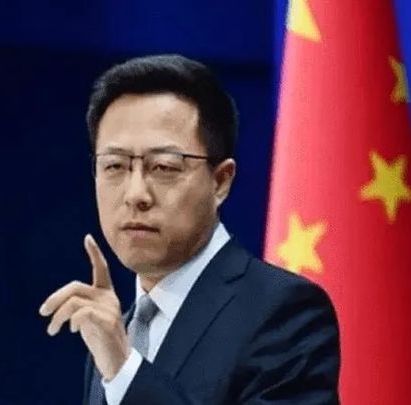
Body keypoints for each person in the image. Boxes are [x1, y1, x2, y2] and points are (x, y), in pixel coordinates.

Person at [39, 54, 340, 404]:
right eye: (115, 166)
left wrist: (125, 373)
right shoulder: (114, 334)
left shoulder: (284, 311)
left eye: (164, 167)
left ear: (220, 181)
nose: (135, 194)